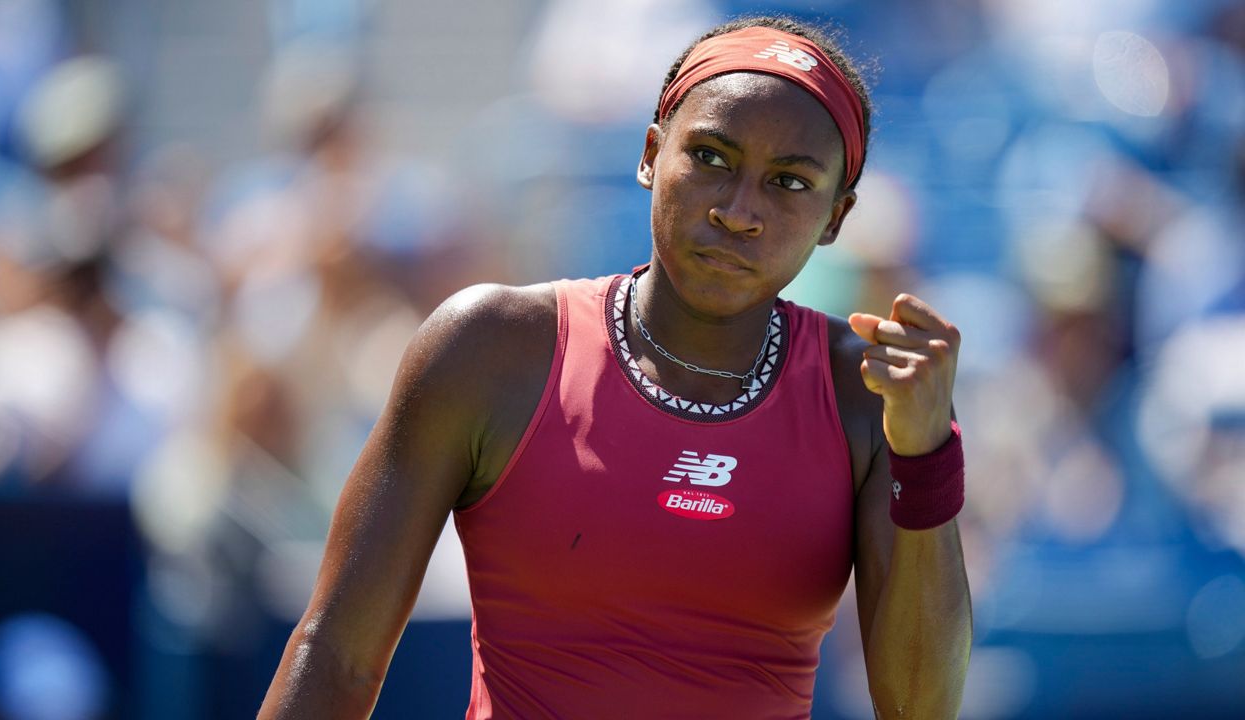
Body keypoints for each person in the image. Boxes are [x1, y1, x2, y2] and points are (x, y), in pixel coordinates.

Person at [259, 14, 971, 720]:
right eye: (712, 157)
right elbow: (338, 654)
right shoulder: (490, 349)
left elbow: (919, 707)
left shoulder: (868, 396)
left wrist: (926, 453)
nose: (739, 211)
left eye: (789, 183)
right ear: (650, 154)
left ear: (837, 218)